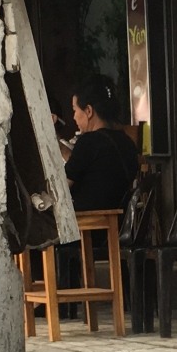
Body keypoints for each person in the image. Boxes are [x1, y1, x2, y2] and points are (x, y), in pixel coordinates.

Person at [56, 76, 141, 297]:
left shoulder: (88, 142)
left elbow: (64, 186)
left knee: (39, 230)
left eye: (75, 110)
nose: (74, 117)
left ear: (89, 111)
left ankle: (49, 299)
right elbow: (87, 164)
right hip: (117, 227)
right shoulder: (126, 142)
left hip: (87, 229)